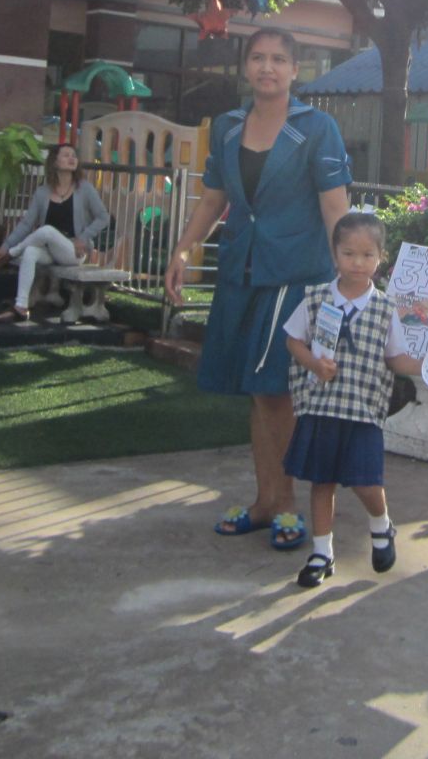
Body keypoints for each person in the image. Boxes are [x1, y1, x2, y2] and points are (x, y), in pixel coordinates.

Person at [164, 27, 352, 553]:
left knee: (275, 390)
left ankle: (286, 502)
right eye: (258, 58)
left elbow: (334, 207)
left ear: (295, 70)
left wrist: (350, 280)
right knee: (257, 391)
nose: (267, 67)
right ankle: (266, 499)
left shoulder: (317, 129)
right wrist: (184, 251)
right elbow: (212, 200)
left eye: (278, 59)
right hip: (240, 270)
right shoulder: (227, 127)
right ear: (246, 67)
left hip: (295, 274)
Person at [283, 212, 420, 588]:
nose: (357, 263)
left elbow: (396, 358)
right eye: (348, 254)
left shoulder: (385, 309)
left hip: (363, 410)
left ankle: (381, 525)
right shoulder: (315, 298)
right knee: (321, 480)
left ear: (381, 258)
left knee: (365, 481)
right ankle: (321, 553)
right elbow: (293, 339)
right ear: (334, 255)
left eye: (367, 255)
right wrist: (314, 363)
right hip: (320, 406)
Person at [0, 143, 111, 323]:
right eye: (66, 155)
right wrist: (5, 245)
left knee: (46, 230)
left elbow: (103, 217)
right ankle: (21, 307)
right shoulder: (42, 192)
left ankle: (11, 254)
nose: (72, 158)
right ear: (54, 161)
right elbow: (26, 224)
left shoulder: (84, 188)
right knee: (31, 251)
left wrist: (83, 237)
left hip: (73, 251)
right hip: (49, 250)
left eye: (74, 155)